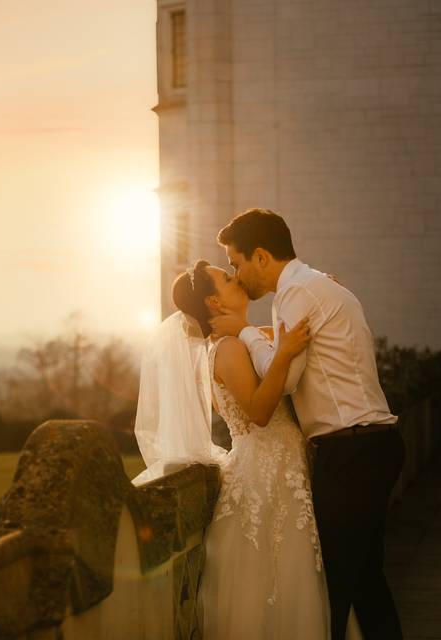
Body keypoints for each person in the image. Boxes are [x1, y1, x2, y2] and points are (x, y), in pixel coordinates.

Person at [211, 208, 404, 640]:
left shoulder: (297, 294)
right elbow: (283, 353)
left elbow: (286, 380)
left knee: (332, 591)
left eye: (236, 263)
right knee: (366, 584)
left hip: (353, 451)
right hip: (367, 447)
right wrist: (258, 335)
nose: (236, 274)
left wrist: (243, 331)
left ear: (261, 256)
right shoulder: (311, 286)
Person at [134, 259, 338, 638]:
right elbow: (260, 412)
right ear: (213, 301)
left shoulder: (240, 338)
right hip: (266, 479)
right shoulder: (227, 349)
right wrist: (285, 351)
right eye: (228, 279)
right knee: (276, 584)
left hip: (282, 472)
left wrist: (322, 293)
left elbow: (282, 335)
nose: (238, 280)